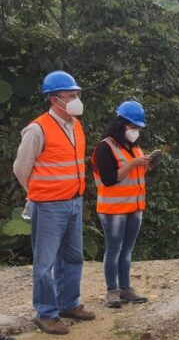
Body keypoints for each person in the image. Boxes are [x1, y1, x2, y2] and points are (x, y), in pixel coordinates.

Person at [12, 71, 95, 335]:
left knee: (72, 257)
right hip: (48, 205)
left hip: (73, 202)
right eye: (71, 95)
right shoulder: (37, 129)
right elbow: (21, 167)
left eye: (77, 94)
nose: (76, 99)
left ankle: (68, 304)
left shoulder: (75, 125)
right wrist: (37, 192)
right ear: (54, 99)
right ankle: (46, 313)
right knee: (45, 262)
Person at [92, 101, 153, 308]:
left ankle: (126, 288)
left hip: (134, 207)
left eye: (137, 128)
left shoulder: (134, 147)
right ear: (121, 125)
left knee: (127, 250)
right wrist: (133, 164)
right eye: (132, 127)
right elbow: (109, 179)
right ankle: (112, 291)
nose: (135, 131)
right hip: (113, 210)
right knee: (113, 250)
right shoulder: (105, 147)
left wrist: (145, 165)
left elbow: (135, 176)